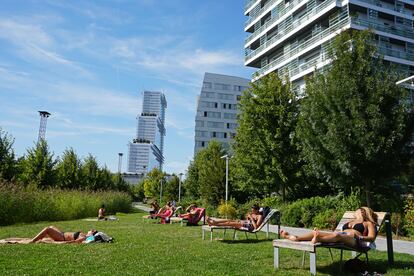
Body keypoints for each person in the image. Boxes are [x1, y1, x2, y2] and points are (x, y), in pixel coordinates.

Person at [280, 207, 378, 248]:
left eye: (357, 210)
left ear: (363, 211)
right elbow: (339, 231)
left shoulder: (368, 223)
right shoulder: (350, 221)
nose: (355, 212)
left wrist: (359, 237)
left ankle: (318, 238)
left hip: (354, 240)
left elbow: (372, 237)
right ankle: (296, 238)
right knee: (318, 232)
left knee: (337, 235)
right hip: (341, 235)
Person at [30, 226, 97, 243]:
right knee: (51, 226)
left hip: (62, 237)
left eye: (92, 231)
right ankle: (40, 237)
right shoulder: (84, 235)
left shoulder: (84, 237)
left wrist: (66, 242)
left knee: (47, 229)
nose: (91, 230)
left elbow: (76, 241)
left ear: (92, 234)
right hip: (62, 233)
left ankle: (32, 241)